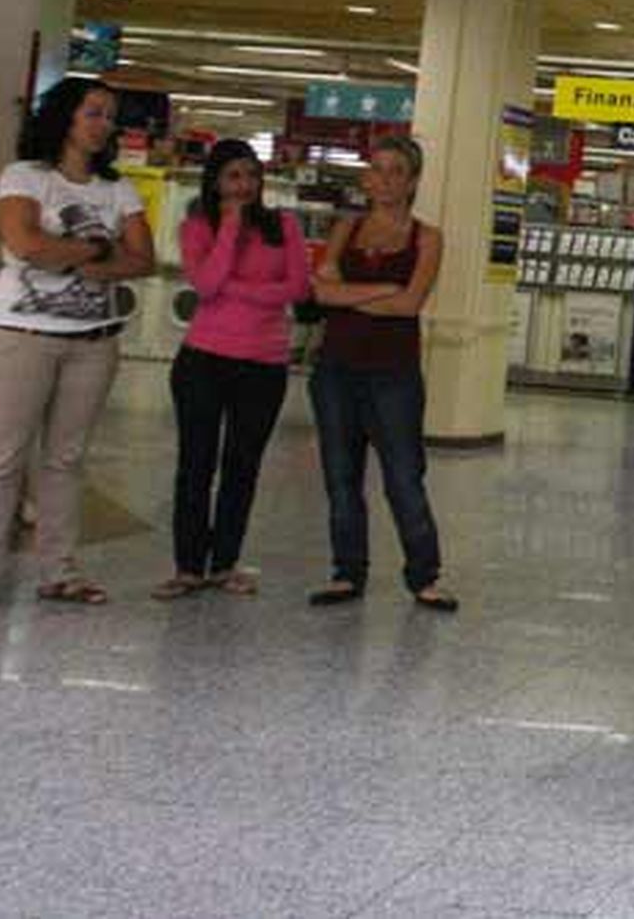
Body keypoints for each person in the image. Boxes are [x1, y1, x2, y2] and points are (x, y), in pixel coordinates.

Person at [0, 79, 154, 616]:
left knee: (65, 460)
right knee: (3, 460)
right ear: (66, 117)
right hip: (19, 338)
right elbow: (24, 242)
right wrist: (95, 248)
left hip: (92, 343)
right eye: (94, 112)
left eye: (110, 116)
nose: (104, 124)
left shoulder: (118, 189)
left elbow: (142, 259)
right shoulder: (24, 177)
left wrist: (67, 255)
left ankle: (59, 571)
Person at [154, 140, 310, 600]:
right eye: (233, 177)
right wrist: (230, 228)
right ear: (215, 182)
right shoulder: (197, 227)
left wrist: (236, 289)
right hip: (203, 360)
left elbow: (298, 287)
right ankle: (188, 567)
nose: (244, 186)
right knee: (195, 464)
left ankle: (223, 564)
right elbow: (204, 283)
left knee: (242, 466)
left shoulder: (284, 225)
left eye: (251, 176)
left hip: (264, 365)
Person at [305, 135, 457, 610]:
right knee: (341, 474)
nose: (385, 179)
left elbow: (411, 303)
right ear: (366, 177)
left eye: (397, 171)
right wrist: (382, 290)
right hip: (336, 369)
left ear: (412, 181)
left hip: (394, 373)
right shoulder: (345, 230)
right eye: (378, 168)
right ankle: (347, 572)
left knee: (404, 476)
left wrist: (352, 291)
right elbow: (321, 294)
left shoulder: (427, 238)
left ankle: (424, 574)